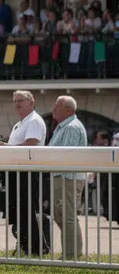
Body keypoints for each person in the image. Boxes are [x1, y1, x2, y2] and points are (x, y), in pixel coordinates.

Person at [5, 90, 50, 256]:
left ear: (31, 102)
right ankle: (26, 245)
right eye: (15, 100)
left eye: (21, 100)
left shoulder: (34, 121)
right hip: (18, 171)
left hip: (28, 172)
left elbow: (30, 143)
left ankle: (36, 248)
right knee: (20, 211)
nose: (17, 103)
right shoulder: (20, 123)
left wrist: (1, 146)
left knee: (27, 211)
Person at [48, 95, 87, 260]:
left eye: (57, 106)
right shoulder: (63, 126)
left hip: (68, 177)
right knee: (61, 215)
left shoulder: (71, 127)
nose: (53, 108)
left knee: (67, 216)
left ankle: (72, 255)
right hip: (62, 176)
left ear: (68, 110)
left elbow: (66, 155)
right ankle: (72, 252)